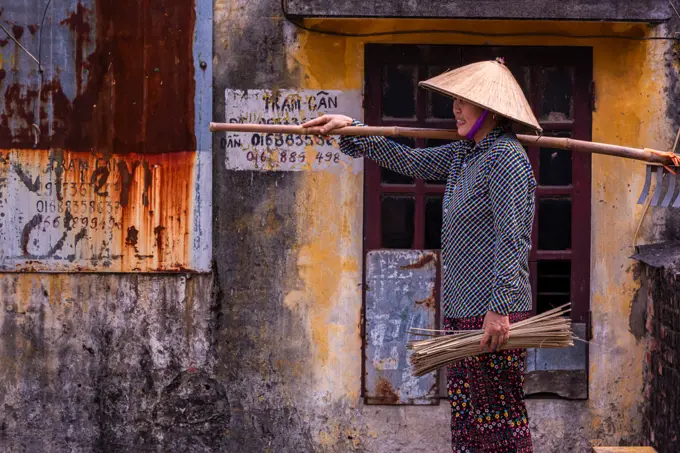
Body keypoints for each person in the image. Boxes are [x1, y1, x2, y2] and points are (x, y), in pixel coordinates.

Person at [302, 57, 540, 453]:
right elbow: (410, 161)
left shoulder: (506, 159)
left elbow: (514, 241)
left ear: (491, 110)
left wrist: (499, 308)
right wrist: (355, 129)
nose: (456, 109)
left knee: (499, 427)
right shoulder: (467, 154)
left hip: (496, 318)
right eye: (456, 101)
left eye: (465, 101)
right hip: (465, 313)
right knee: (470, 426)